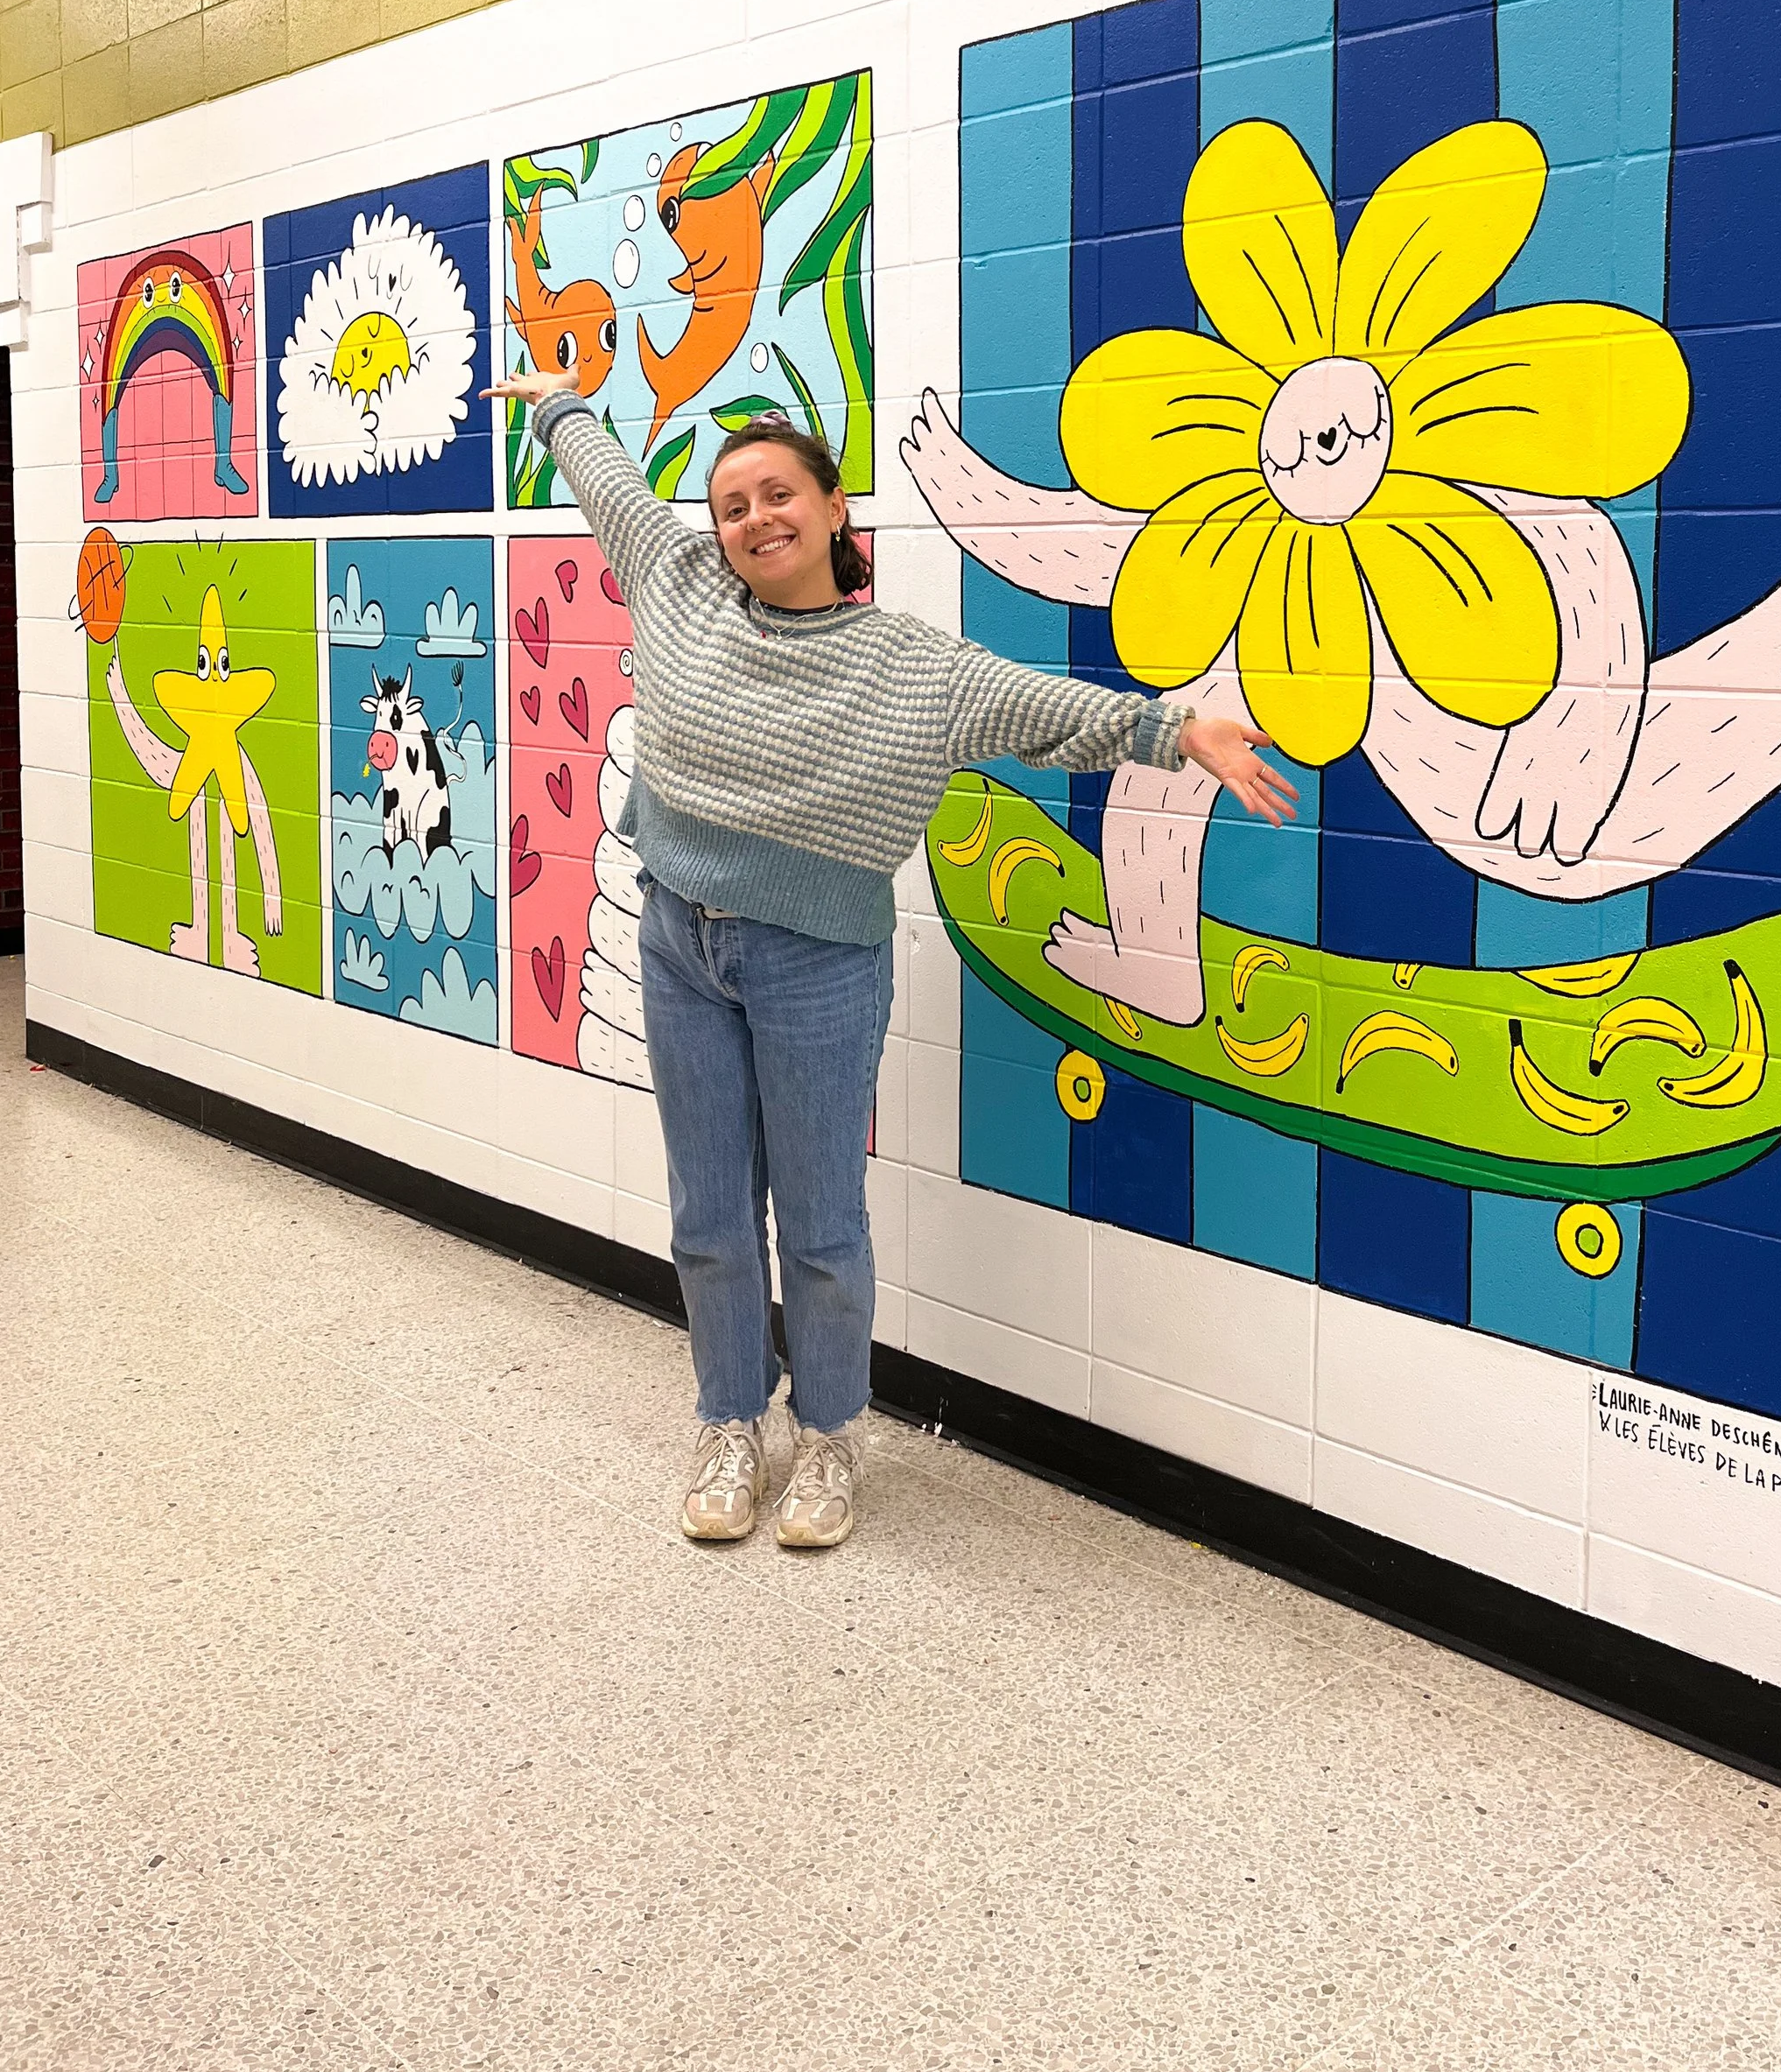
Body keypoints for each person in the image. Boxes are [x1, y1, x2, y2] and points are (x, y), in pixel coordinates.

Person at [483, 374, 1296, 1551]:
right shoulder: (678, 588)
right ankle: (726, 1419)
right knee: (708, 1214)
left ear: (833, 515)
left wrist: (1177, 730)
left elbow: (1049, 710)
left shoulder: (914, 667)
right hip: (678, 941)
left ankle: (824, 1443)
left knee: (817, 1224)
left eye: (778, 495)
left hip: (818, 966)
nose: (753, 519)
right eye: (730, 506)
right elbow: (607, 480)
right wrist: (561, 406)